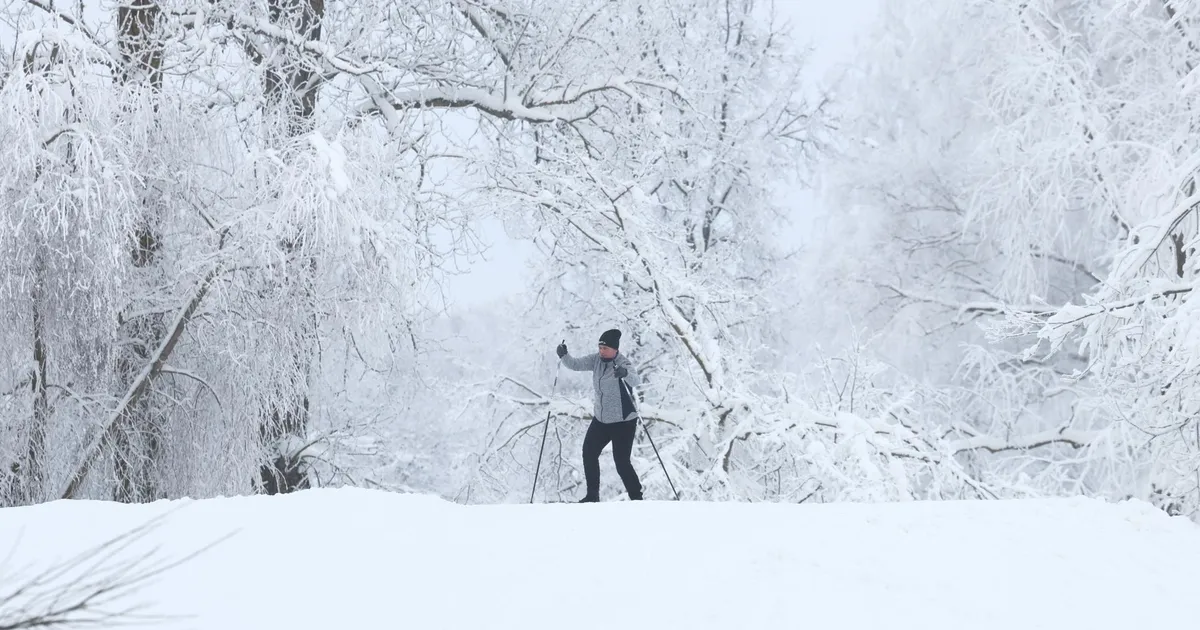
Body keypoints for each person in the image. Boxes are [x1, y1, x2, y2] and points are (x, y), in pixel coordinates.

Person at [556, 329, 643, 502]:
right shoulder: (595, 360)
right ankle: (592, 495)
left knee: (621, 462)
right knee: (588, 452)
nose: (601, 351)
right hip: (602, 420)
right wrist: (564, 356)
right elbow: (576, 364)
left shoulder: (622, 363)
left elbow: (635, 380)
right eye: (600, 347)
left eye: (605, 348)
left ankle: (636, 497)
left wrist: (624, 374)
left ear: (615, 349)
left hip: (623, 422)